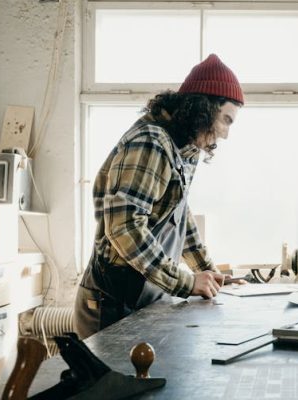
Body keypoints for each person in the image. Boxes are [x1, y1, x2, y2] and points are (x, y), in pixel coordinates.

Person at [75, 54, 244, 338]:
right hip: (112, 303)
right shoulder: (151, 142)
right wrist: (186, 282)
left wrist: (207, 273)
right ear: (203, 109)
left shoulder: (182, 148)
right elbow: (125, 227)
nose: (225, 134)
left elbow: (179, 215)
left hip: (141, 295)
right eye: (226, 120)